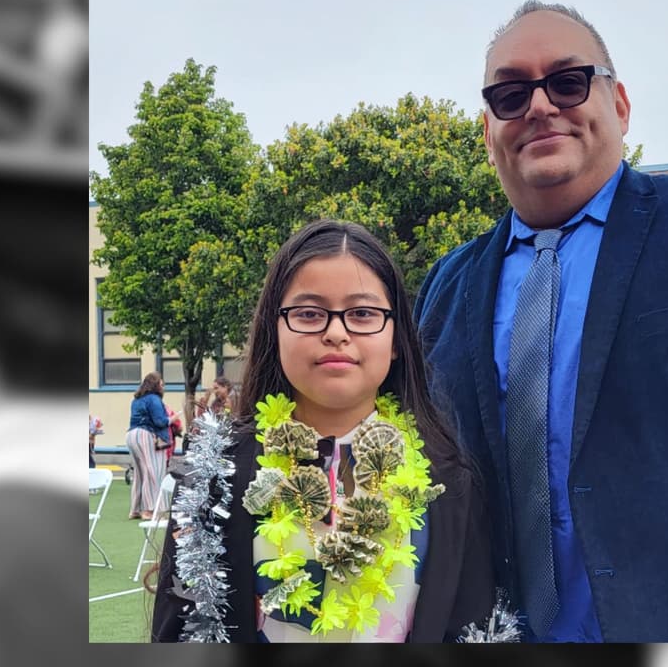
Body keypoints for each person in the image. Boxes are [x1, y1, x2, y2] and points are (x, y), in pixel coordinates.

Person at [413, 0, 668, 641]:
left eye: (568, 81)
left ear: (620, 104)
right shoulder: (445, 287)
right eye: (511, 93)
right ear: (489, 129)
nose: (540, 105)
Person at [151, 219, 498, 642]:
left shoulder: (447, 479)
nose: (336, 332)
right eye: (309, 313)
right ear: (274, 330)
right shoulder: (216, 477)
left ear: (395, 338)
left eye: (363, 313)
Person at [127, 371, 171, 520]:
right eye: (162, 384)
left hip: (132, 434)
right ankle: (151, 509)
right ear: (156, 385)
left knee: (140, 473)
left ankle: (136, 509)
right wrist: (170, 420)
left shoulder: (137, 399)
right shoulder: (154, 399)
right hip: (147, 435)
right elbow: (159, 421)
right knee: (154, 471)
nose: (163, 387)